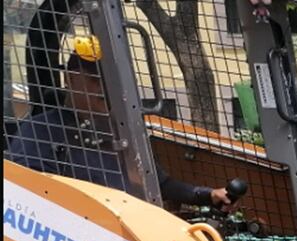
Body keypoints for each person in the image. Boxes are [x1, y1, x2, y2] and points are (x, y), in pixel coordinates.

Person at [7, 37, 233, 209]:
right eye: (96, 80)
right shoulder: (40, 131)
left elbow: (160, 184)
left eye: (110, 81)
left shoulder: (122, 132)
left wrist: (207, 194)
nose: (105, 89)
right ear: (70, 79)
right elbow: (29, 198)